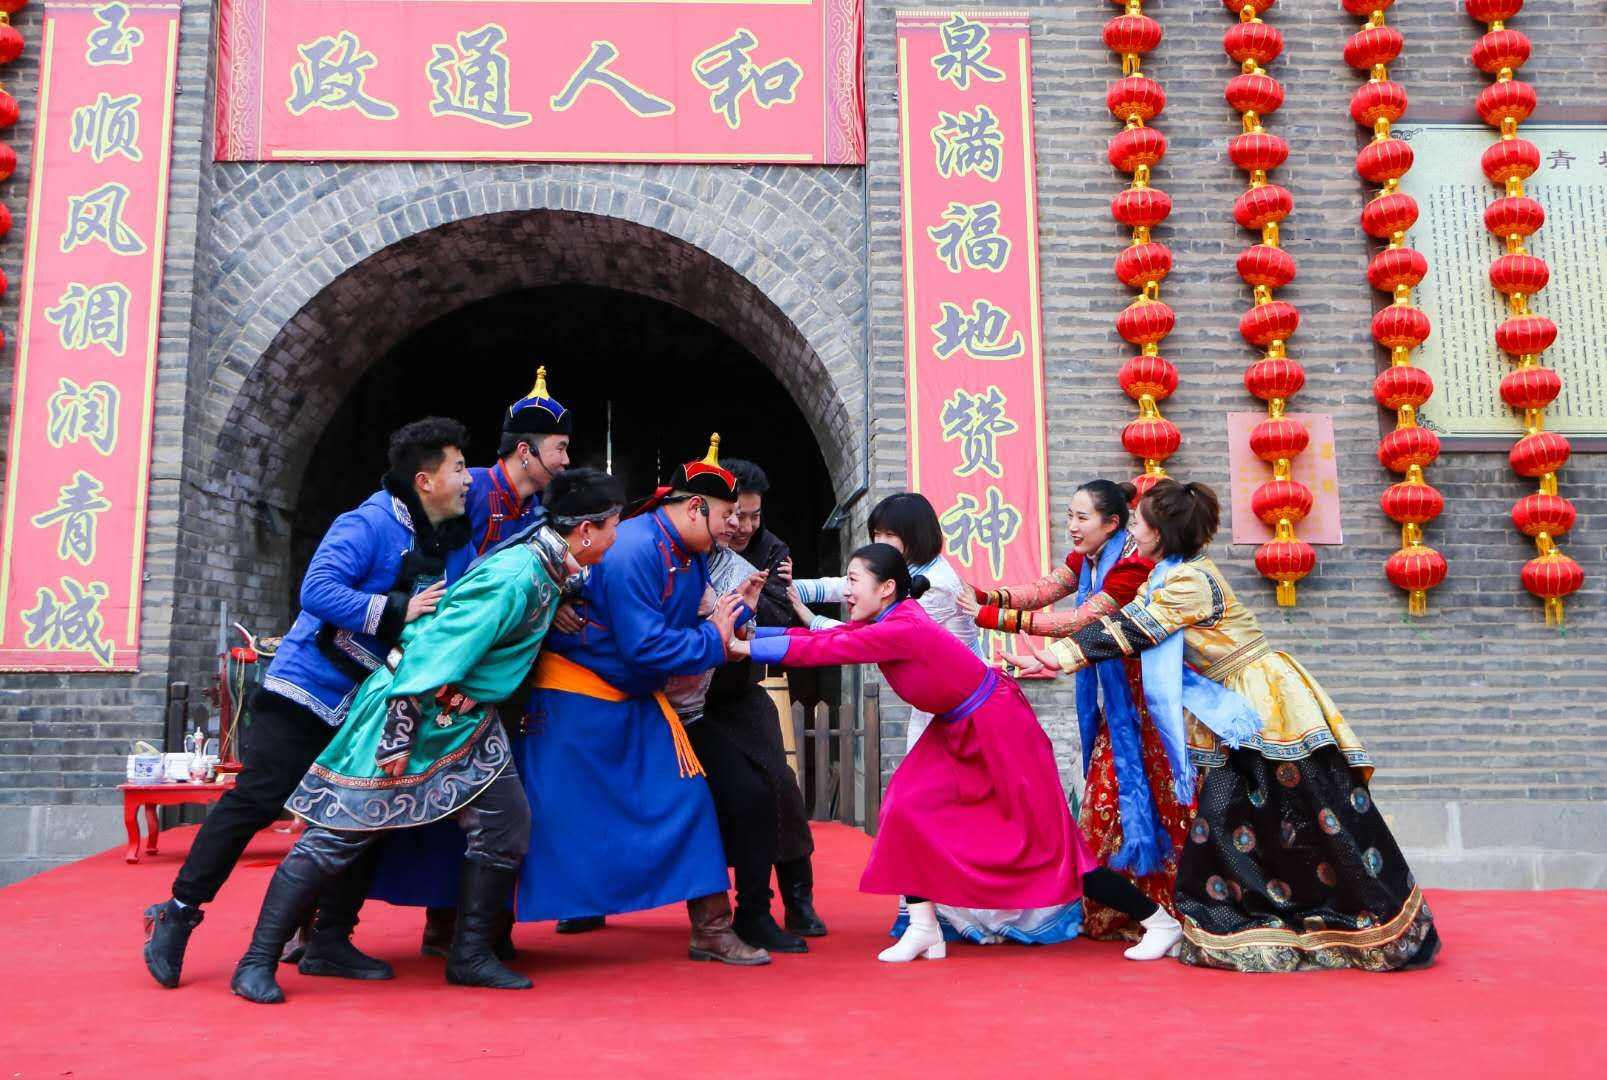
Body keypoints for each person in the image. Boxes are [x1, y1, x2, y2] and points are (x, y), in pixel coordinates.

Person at [228, 469, 626, 1003]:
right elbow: (435, 649)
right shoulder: (516, 576)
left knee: (505, 825)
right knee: (337, 836)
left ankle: (471, 956)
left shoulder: (547, 565)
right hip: (411, 707)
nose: (617, 537)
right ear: (586, 531)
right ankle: (255, 962)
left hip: (465, 719)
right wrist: (397, 732)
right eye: (613, 526)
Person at [1011, 479, 1441, 972]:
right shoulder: (1168, 574)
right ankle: (1249, 918)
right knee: (1242, 818)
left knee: (1301, 811)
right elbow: (1119, 624)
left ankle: (1365, 922)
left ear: (1159, 533)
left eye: (1138, 524)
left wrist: (1053, 657)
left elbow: (1132, 630)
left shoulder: (1187, 582)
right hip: (1230, 703)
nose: (1132, 532)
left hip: (1259, 704)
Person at [142, 418, 475, 988]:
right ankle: (177, 912)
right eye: (460, 468)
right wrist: (397, 610)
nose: (469, 479)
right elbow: (317, 591)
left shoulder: (444, 542)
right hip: (305, 690)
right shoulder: (368, 522)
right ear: (425, 480)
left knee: (366, 812)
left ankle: (330, 939)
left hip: (368, 705)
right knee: (257, 801)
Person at [735, 543, 1173, 963]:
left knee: (1051, 844)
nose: (845, 591)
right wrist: (751, 635)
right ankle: (923, 926)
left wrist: (745, 648)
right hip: (959, 725)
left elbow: (827, 647)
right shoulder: (893, 617)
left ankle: (1157, 921)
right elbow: (826, 636)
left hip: (1000, 729)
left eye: (852, 580)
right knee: (905, 806)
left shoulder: (900, 627)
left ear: (886, 588)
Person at [513, 436, 770, 965]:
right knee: (554, 818)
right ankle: (478, 932)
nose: (734, 526)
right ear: (695, 507)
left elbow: (696, 624)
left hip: (636, 695)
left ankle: (712, 929)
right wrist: (715, 638)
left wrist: (735, 615)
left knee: (688, 798)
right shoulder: (634, 549)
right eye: (726, 514)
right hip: (577, 699)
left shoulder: (692, 552)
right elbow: (646, 645)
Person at [369, 366, 579, 953]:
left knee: (487, 806)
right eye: (559, 449)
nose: (566, 461)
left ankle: (476, 929)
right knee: (438, 800)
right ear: (525, 452)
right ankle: (428, 925)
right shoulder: (475, 493)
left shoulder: (537, 515)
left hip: (495, 681)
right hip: (442, 675)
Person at [960, 479, 1191, 942]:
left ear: (1113, 523)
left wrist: (990, 616)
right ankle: (1133, 909)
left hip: (1153, 702)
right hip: (1121, 703)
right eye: (1069, 515)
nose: (1071, 526)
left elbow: (1083, 621)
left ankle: (1171, 907)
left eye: (1082, 517)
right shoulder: (1089, 560)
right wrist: (987, 596)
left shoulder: (1133, 567)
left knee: (1158, 799)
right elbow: (1045, 589)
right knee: (1108, 797)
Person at [708, 459, 824, 942]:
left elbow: (780, 615)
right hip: (685, 695)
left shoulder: (772, 550)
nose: (744, 526)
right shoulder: (692, 547)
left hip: (740, 688)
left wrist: (737, 610)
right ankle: (590, 900)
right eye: (736, 515)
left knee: (779, 785)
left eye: (754, 516)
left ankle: (796, 898)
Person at [789, 493, 982, 751]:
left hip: (964, 697)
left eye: (890, 535)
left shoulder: (937, 584)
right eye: (877, 534)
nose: (880, 542)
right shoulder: (909, 568)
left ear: (916, 535)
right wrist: (788, 588)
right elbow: (846, 586)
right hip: (939, 693)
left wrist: (813, 620)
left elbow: (874, 639)